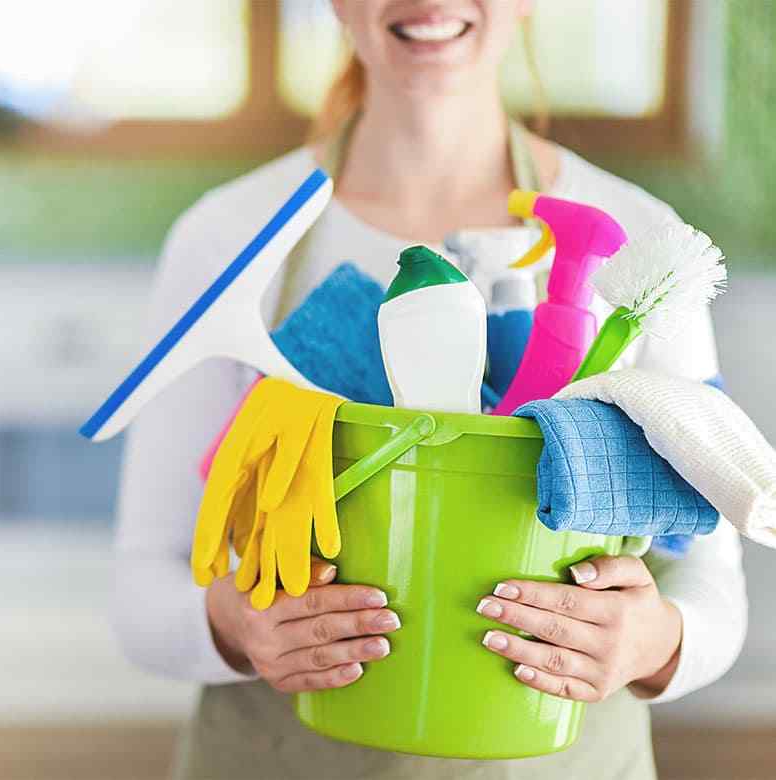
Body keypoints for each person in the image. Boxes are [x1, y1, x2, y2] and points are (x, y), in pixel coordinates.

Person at [113, 2, 747, 778]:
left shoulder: (637, 239)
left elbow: (713, 581)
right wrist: (236, 624)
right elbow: (143, 583)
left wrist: (654, 642)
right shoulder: (229, 235)